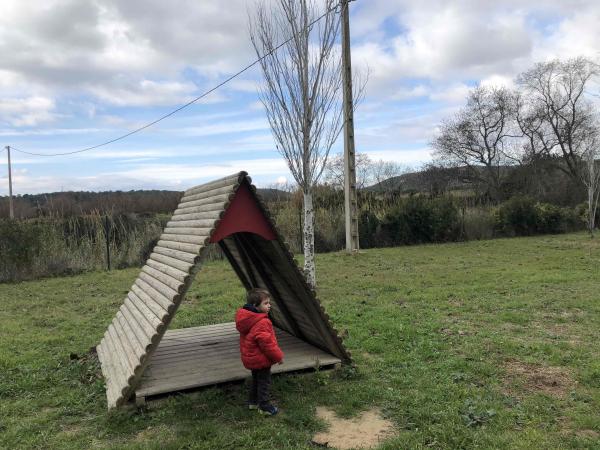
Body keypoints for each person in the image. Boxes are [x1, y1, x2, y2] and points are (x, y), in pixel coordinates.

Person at [235, 288, 284, 416]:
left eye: (269, 303)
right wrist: (279, 357)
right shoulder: (262, 322)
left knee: (256, 380)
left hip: (251, 358)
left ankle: (253, 402)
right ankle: (264, 406)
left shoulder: (246, 318)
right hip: (261, 360)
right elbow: (268, 345)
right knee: (264, 383)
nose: (269, 306)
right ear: (255, 305)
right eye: (266, 303)